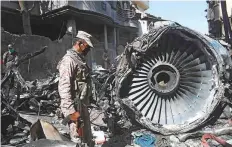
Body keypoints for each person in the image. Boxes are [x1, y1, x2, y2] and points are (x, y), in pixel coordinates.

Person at [57, 31, 93, 145]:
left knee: (86, 136)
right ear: (79, 43)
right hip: (74, 106)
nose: (88, 50)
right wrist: (71, 111)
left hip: (82, 104)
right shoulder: (69, 60)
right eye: (87, 46)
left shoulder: (79, 59)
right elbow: (64, 87)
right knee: (78, 137)